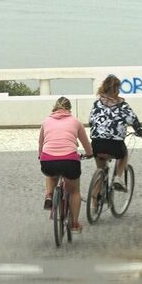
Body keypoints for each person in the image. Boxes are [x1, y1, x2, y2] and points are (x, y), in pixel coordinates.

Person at [39, 96, 93, 233]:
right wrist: (89, 154)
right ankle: (74, 224)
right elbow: (86, 145)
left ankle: (49, 195)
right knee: (74, 191)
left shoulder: (46, 122)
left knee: (51, 174)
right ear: (69, 109)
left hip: (48, 160)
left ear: (54, 107)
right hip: (69, 161)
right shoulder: (76, 122)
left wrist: (41, 155)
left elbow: (41, 143)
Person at [88, 75, 142, 191]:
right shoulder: (122, 105)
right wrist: (140, 132)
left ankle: (94, 202)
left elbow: (91, 121)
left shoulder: (97, 103)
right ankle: (118, 178)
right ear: (117, 88)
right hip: (115, 146)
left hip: (97, 143)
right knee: (124, 154)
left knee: (100, 169)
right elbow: (133, 120)